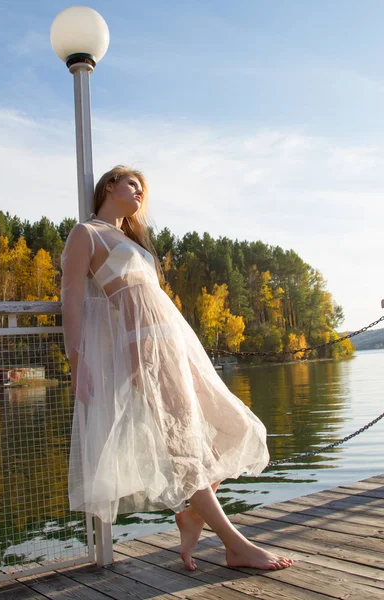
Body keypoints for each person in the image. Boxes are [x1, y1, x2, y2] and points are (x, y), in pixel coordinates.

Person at [61, 165, 293, 572]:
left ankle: (193, 516)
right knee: (183, 444)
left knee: (235, 426)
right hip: (145, 349)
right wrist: (77, 361)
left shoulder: (129, 239)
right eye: (133, 184)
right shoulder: (86, 234)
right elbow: (72, 300)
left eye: (142, 189)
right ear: (110, 185)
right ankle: (235, 544)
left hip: (176, 341)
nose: (139, 193)